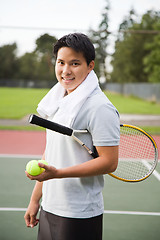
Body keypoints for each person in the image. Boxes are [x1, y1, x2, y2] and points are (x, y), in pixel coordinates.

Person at [24, 33, 120, 240]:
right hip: (50, 206)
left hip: (79, 213)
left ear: (90, 65)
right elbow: (50, 154)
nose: (66, 71)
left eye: (75, 63)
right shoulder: (59, 101)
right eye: (61, 62)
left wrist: (57, 173)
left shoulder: (100, 108)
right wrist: (35, 200)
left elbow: (109, 162)